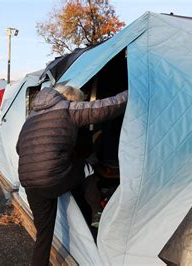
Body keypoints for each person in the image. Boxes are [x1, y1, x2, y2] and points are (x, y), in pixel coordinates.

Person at [16, 85, 128, 266]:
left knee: (44, 234)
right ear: (72, 99)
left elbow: (18, 148)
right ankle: (96, 212)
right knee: (87, 168)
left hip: (29, 182)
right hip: (53, 178)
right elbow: (108, 106)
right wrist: (133, 90)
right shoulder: (68, 109)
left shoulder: (31, 118)